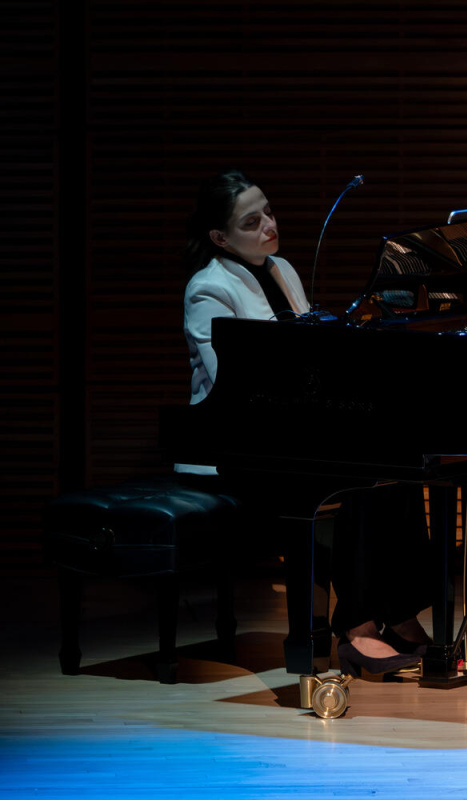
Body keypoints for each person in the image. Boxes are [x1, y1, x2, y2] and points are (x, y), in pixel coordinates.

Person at [178, 169, 432, 676]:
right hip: (234, 444)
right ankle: (357, 629)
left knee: (401, 465)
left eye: (269, 211)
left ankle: (397, 609)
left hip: (289, 428)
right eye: (252, 221)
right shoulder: (207, 288)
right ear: (220, 237)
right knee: (356, 478)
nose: (269, 225)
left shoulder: (283, 269)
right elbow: (236, 383)